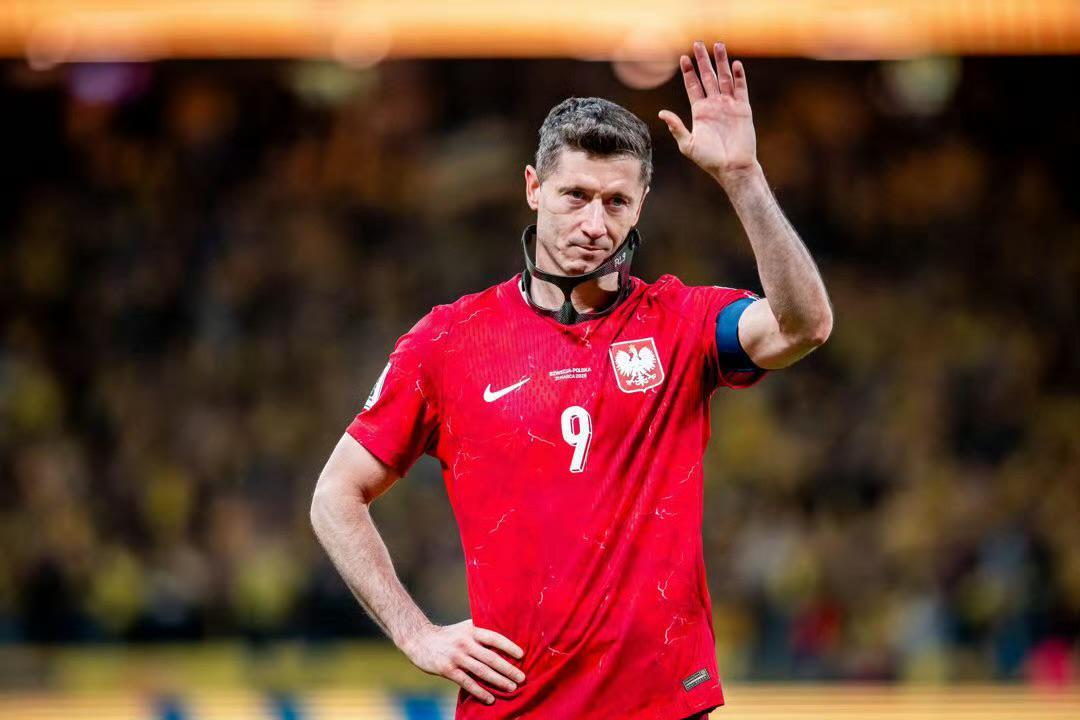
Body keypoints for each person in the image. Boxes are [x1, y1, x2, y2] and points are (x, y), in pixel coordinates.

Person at [310, 40, 833, 719]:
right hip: (514, 707)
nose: (594, 224)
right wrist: (417, 634)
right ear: (534, 188)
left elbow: (804, 325)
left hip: (661, 708)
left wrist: (743, 178)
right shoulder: (449, 340)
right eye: (575, 196)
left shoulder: (680, 322)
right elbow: (335, 496)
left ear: (641, 205)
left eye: (616, 202)